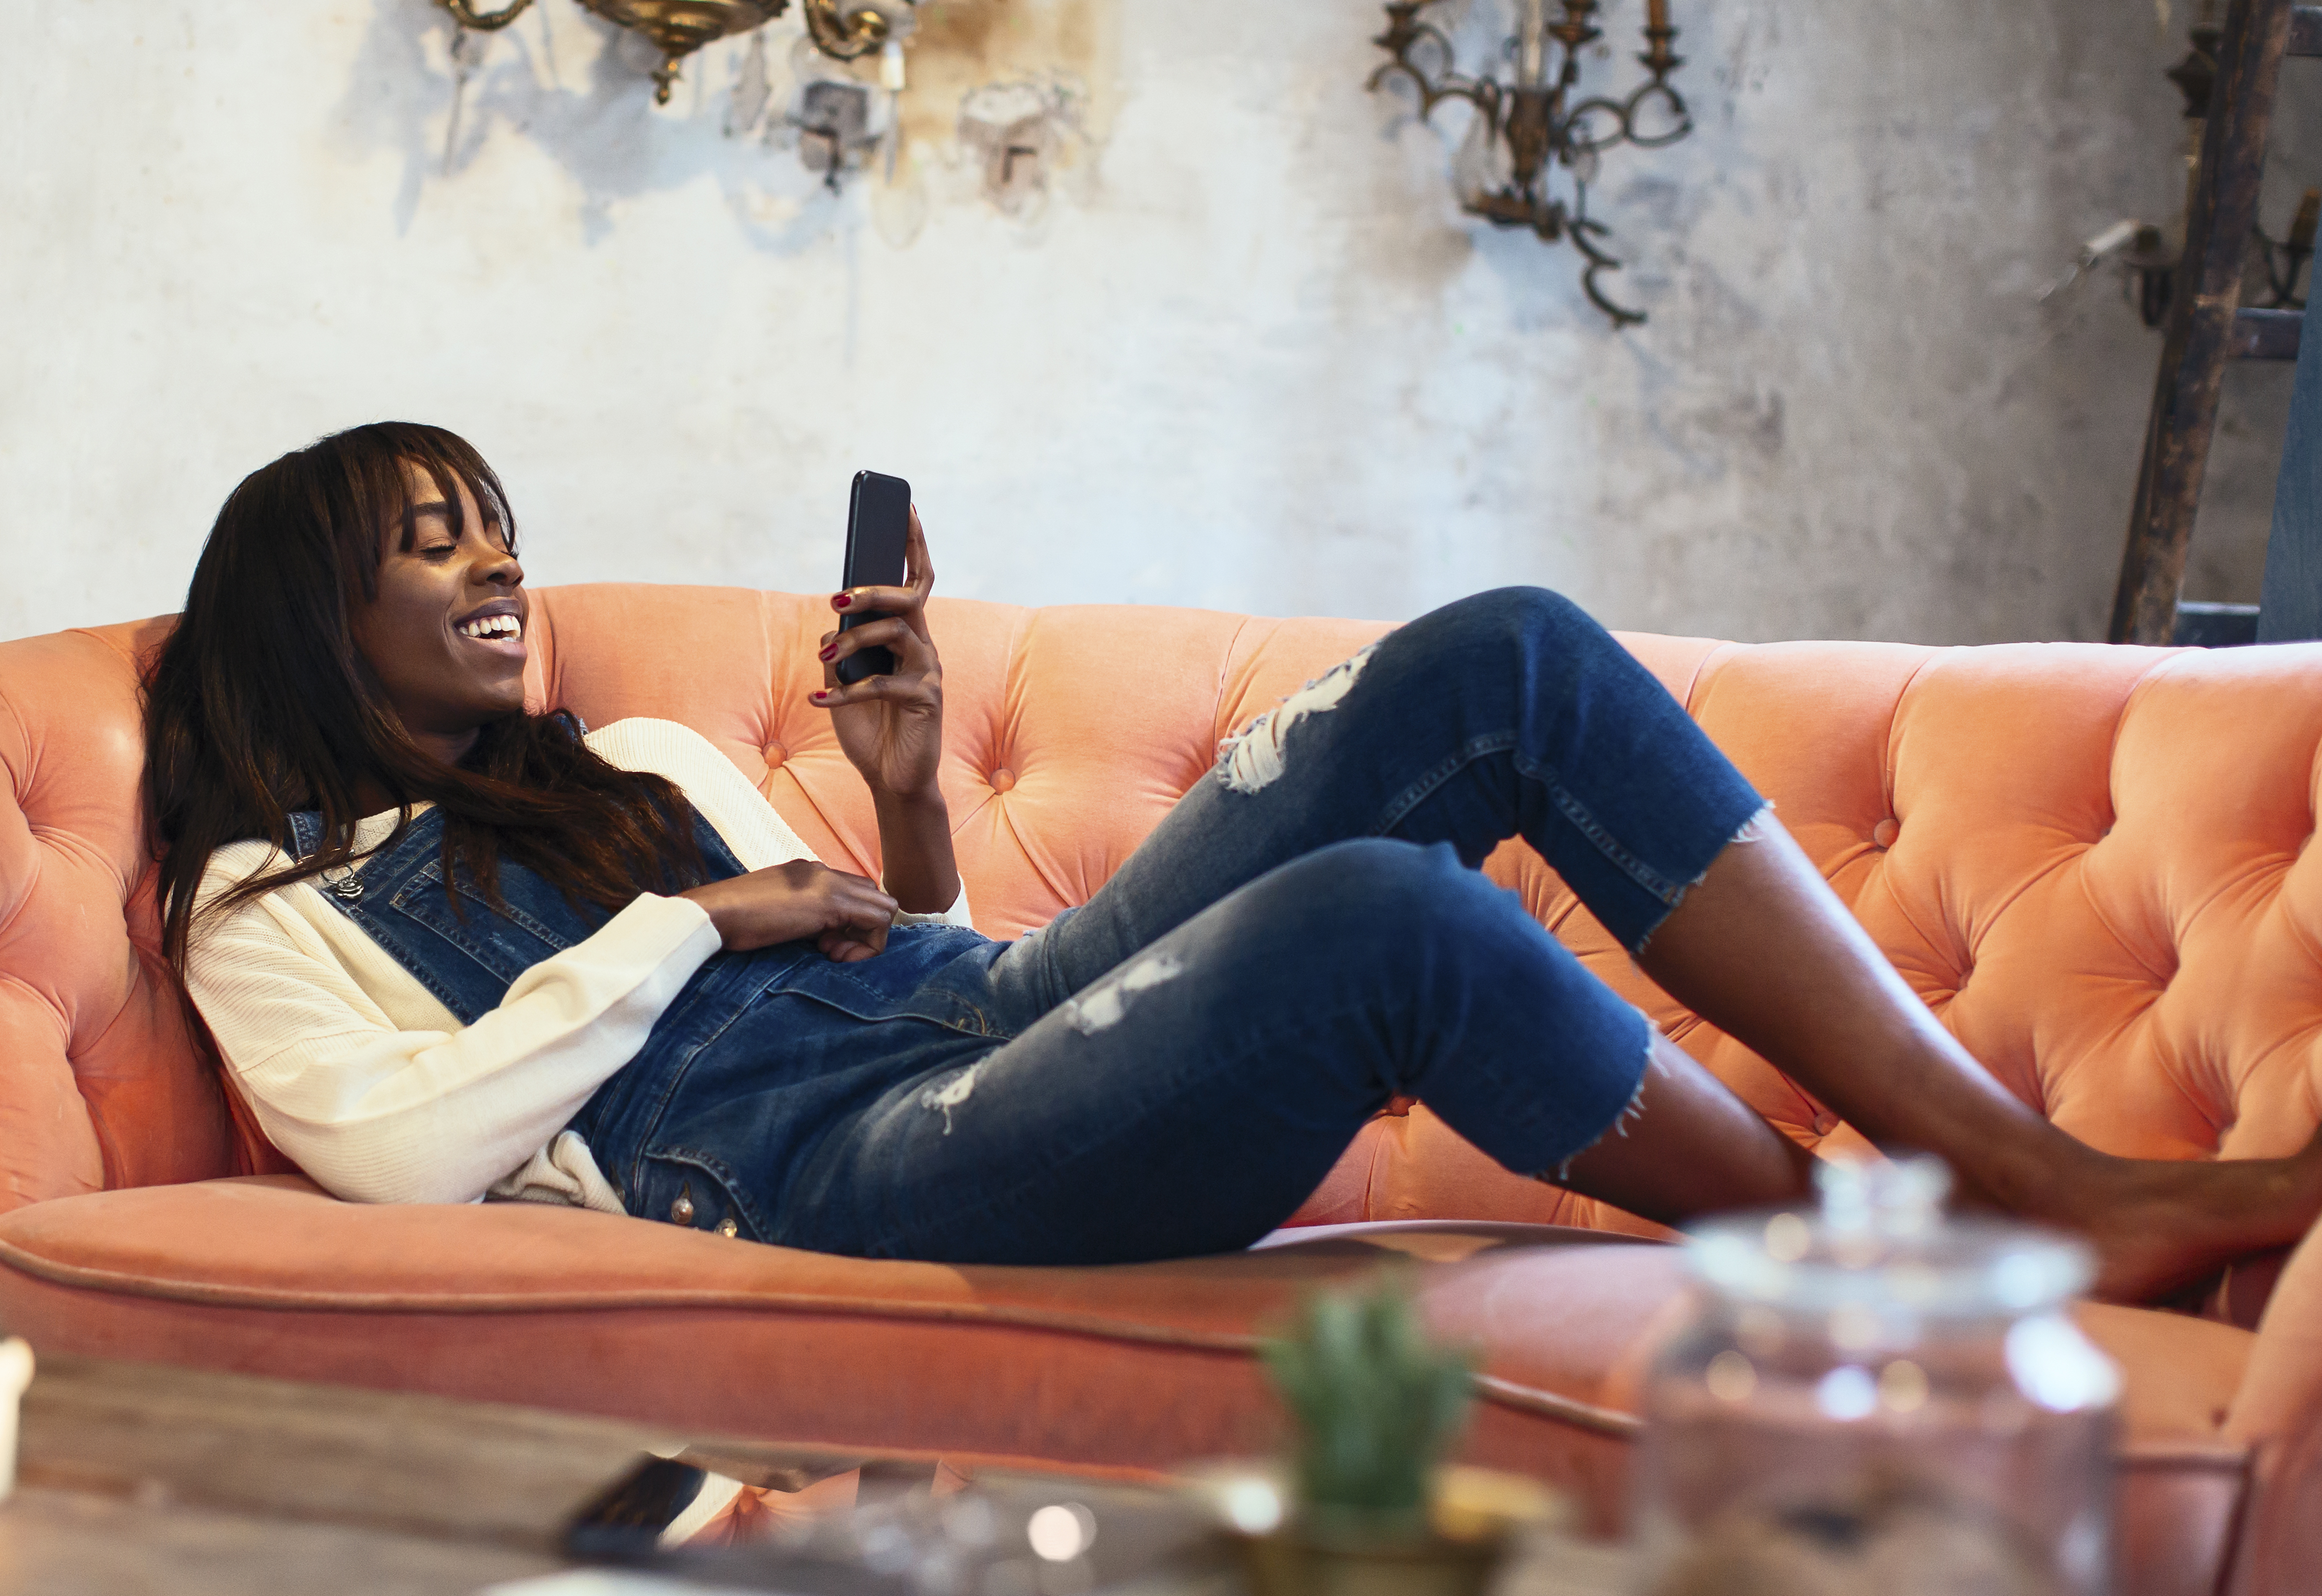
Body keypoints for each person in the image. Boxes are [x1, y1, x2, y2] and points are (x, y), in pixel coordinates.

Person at [148, 422, 2319, 1303]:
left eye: (495, 527)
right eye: (430, 550)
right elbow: (404, 1154)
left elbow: (931, 978)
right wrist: (684, 922)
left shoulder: (618, 757)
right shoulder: (273, 907)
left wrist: (902, 796)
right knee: (1382, 920)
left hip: (962, 1039)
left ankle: (2007, 1177)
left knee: (1513, 664)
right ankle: (1884, 1267)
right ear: (303, 623)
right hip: (816, 1193)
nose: (495, 568)